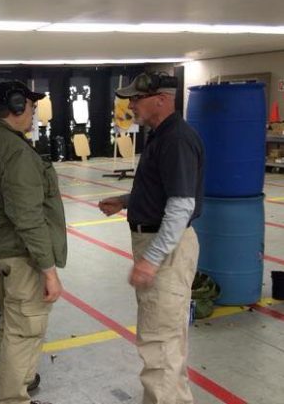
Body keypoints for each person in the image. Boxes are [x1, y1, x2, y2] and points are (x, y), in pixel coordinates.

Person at [0, 80, 67, 404]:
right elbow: (27, 217)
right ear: (18, 106)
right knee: (25, 329)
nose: (33, 112)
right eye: (31, 106)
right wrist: (48, 269)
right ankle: (13, 397)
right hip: (20, 255)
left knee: (11, 321)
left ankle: (7, 379)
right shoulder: (16, 151)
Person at [98, 72, 204, 404]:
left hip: (165, 247)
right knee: (168, 341)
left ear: (161, 99)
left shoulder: (174, 139)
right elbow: (166, 190)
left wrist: (151, 259)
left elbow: (181, 205)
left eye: (136, 99)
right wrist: (129, 201)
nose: (130, 105)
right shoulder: (161, 135)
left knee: (159, 345)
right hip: (161, 241)